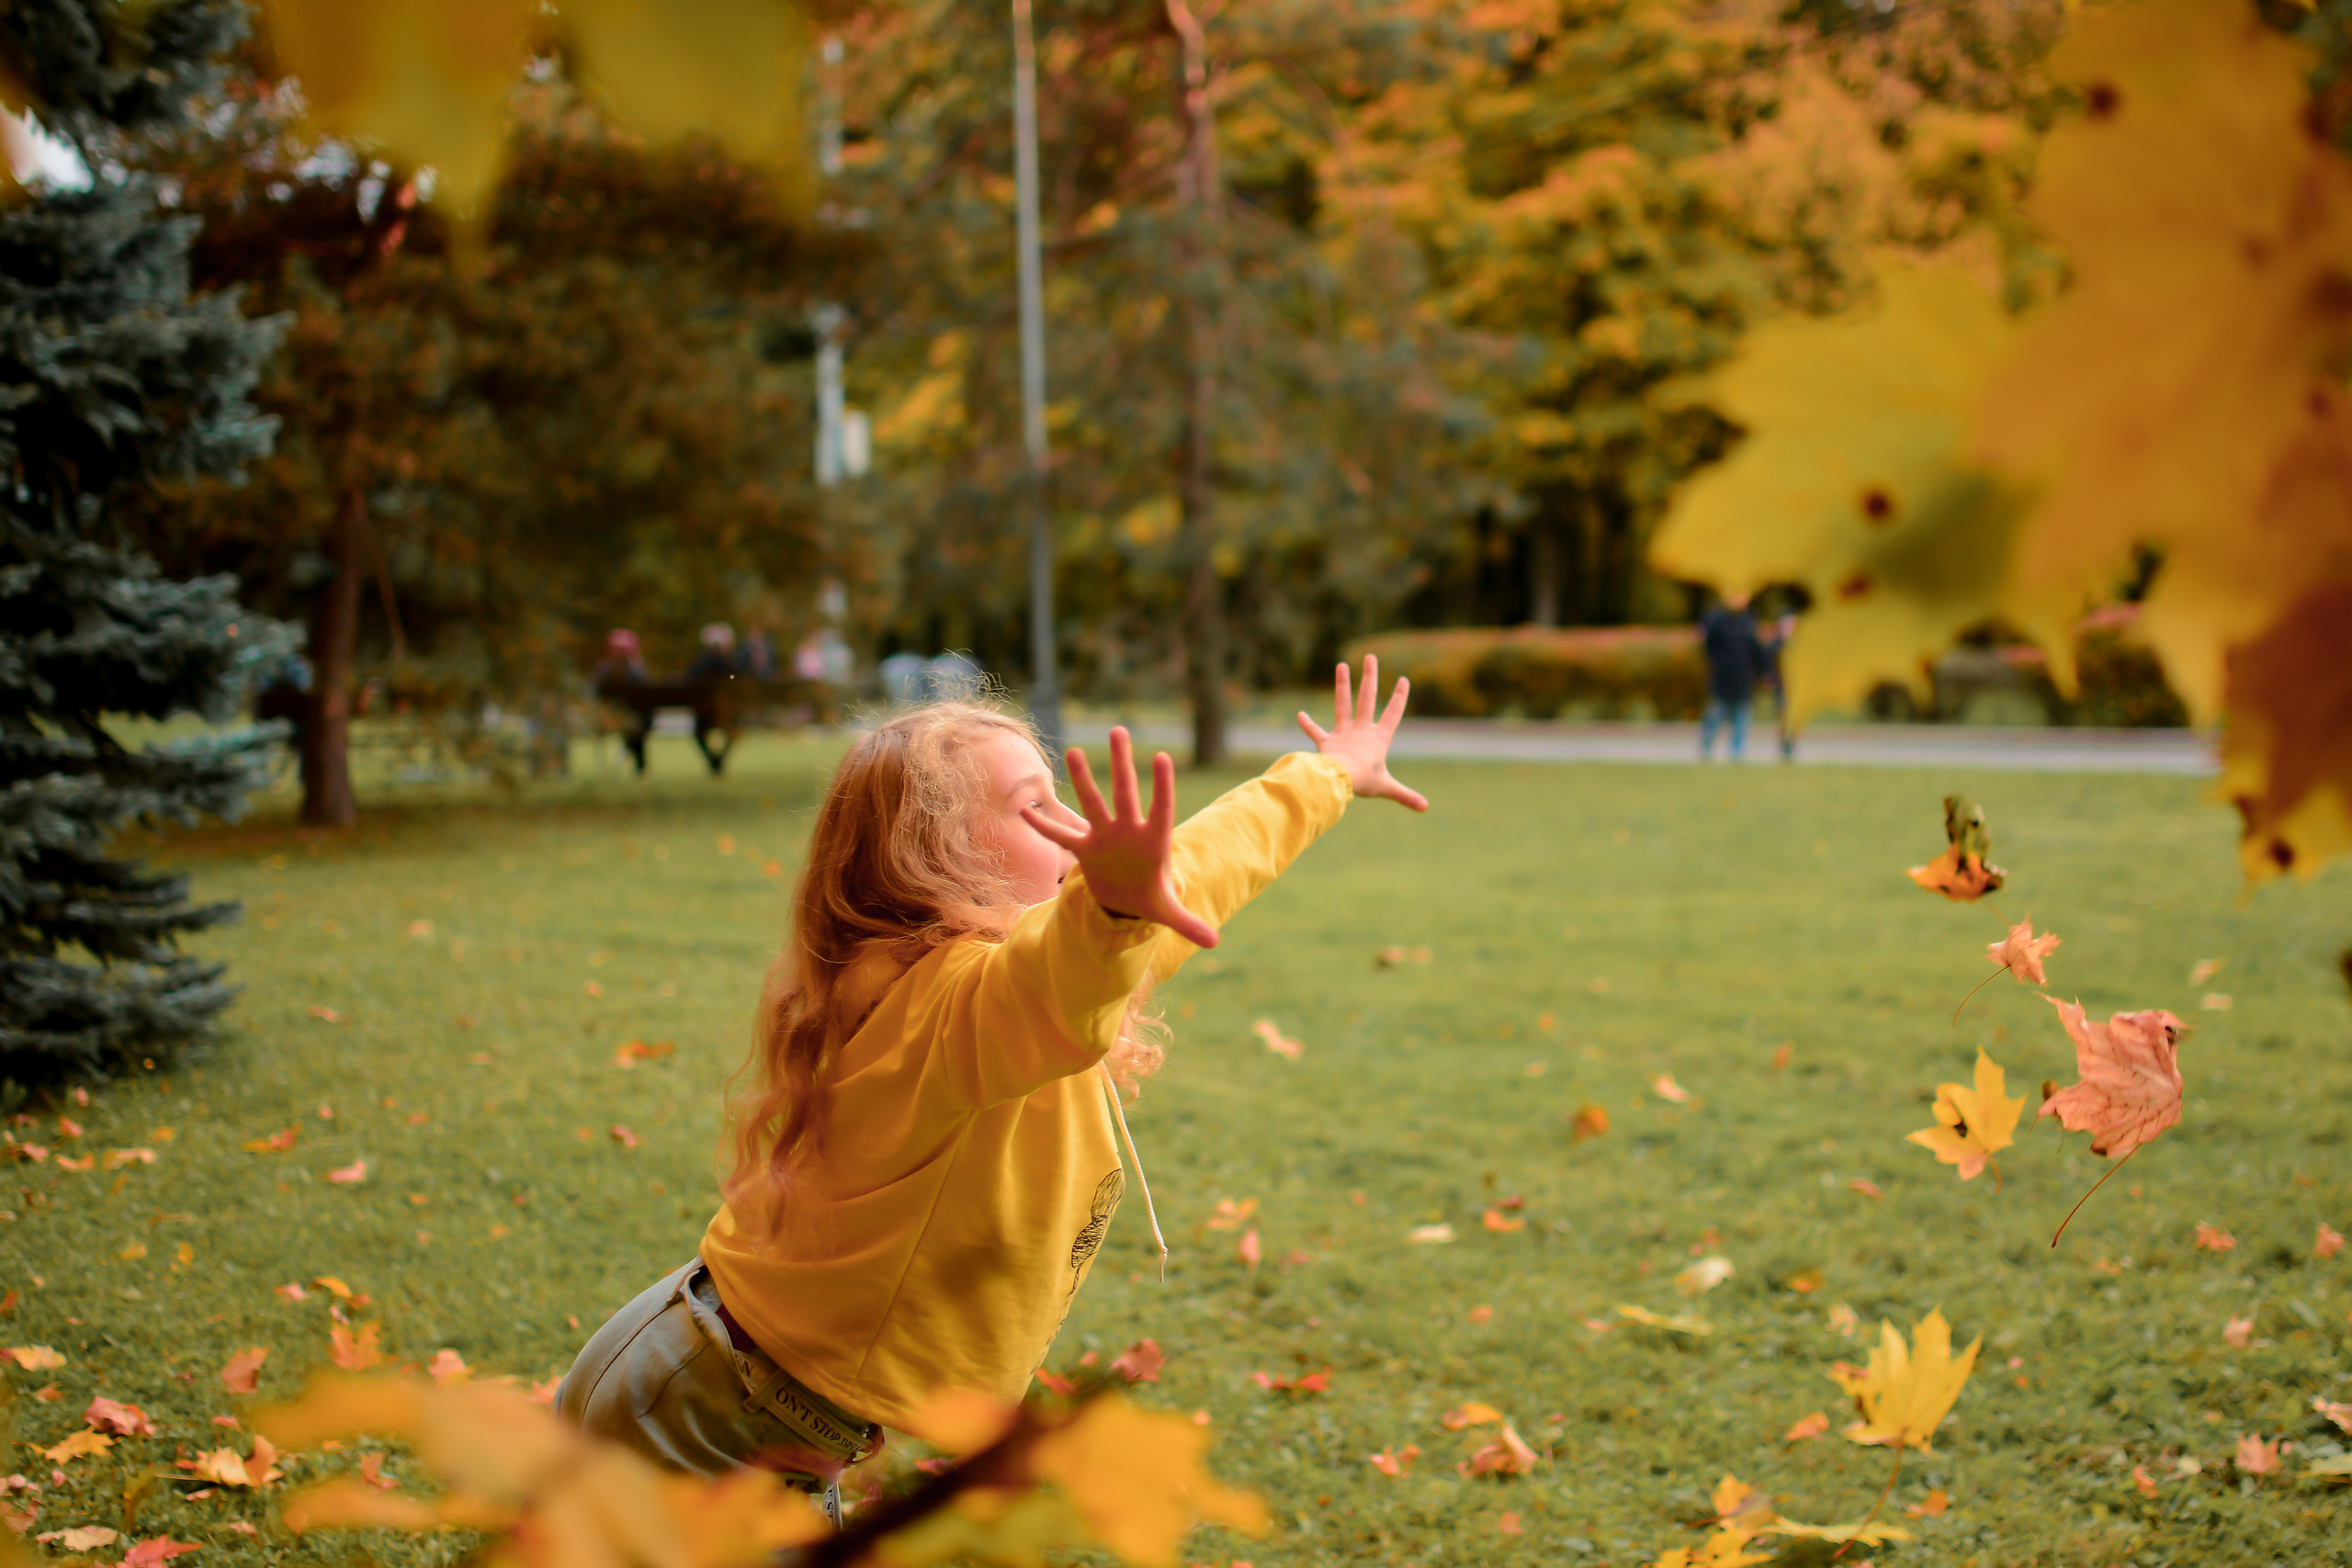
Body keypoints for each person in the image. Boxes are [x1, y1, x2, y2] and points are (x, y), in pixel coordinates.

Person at [556, 659, 1429, 1519]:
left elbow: (1193, 870)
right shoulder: (941, 1003)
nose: (1077, 825)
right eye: (1036, 806)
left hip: (715, 1385)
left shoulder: (994, 976)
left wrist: (1327, 775)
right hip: (707, 1423)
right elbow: (1056, 979)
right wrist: (1111, 911)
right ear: (938, 851)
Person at [1699, 592, 1766, 761]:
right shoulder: (1718, 620)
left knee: (1741, 717)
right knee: (1717, 713)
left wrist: (1765, 671)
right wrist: (1718, 664)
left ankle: (1737, 752)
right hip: (1723, 677)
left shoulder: (1749, 621)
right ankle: (1706, 744)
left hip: (1742, 677)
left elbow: (1755, 649)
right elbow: (1709, 646)